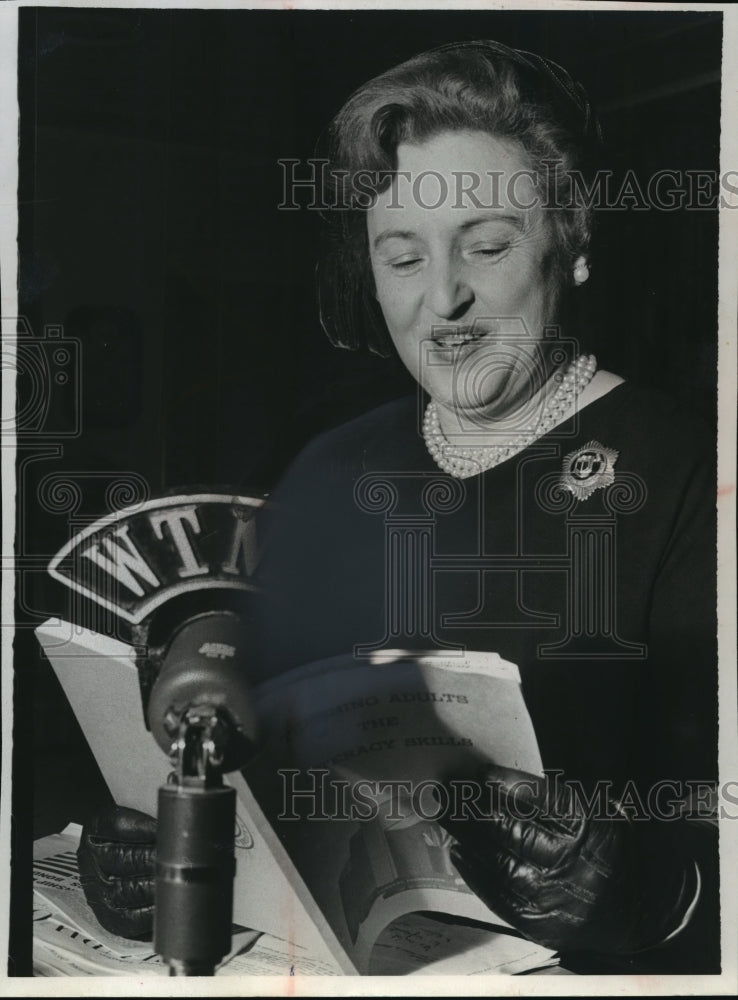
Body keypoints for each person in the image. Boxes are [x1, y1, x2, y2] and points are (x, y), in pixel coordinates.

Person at [78, 40, 719, 973]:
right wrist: (169, 849)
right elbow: (253, 753)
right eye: (403, 256)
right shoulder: (330, 469)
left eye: (488, 246)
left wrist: (661, 892)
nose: (444, 299)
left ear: (574, 240)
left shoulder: (695, 470)